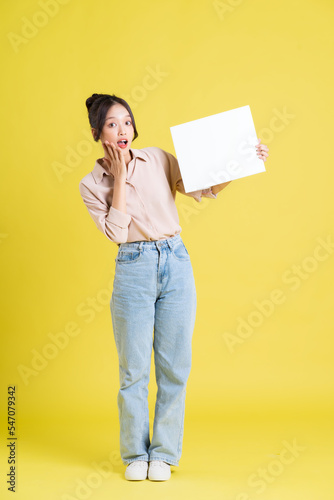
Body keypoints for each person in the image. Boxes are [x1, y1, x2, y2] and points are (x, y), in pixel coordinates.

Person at [79, 93, 269, 482]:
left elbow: (204, 190)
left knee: (174, 365)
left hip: (176, 262)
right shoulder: (90, 184)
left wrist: (244, 160)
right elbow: (117, 231)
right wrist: (117, 179)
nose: (123, 130)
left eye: (127, 122)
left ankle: (163, 454)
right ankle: (135, 453)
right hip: (133, 266)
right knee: (133, 369)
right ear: (98, 132)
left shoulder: (158, 159)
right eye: (113, 124)